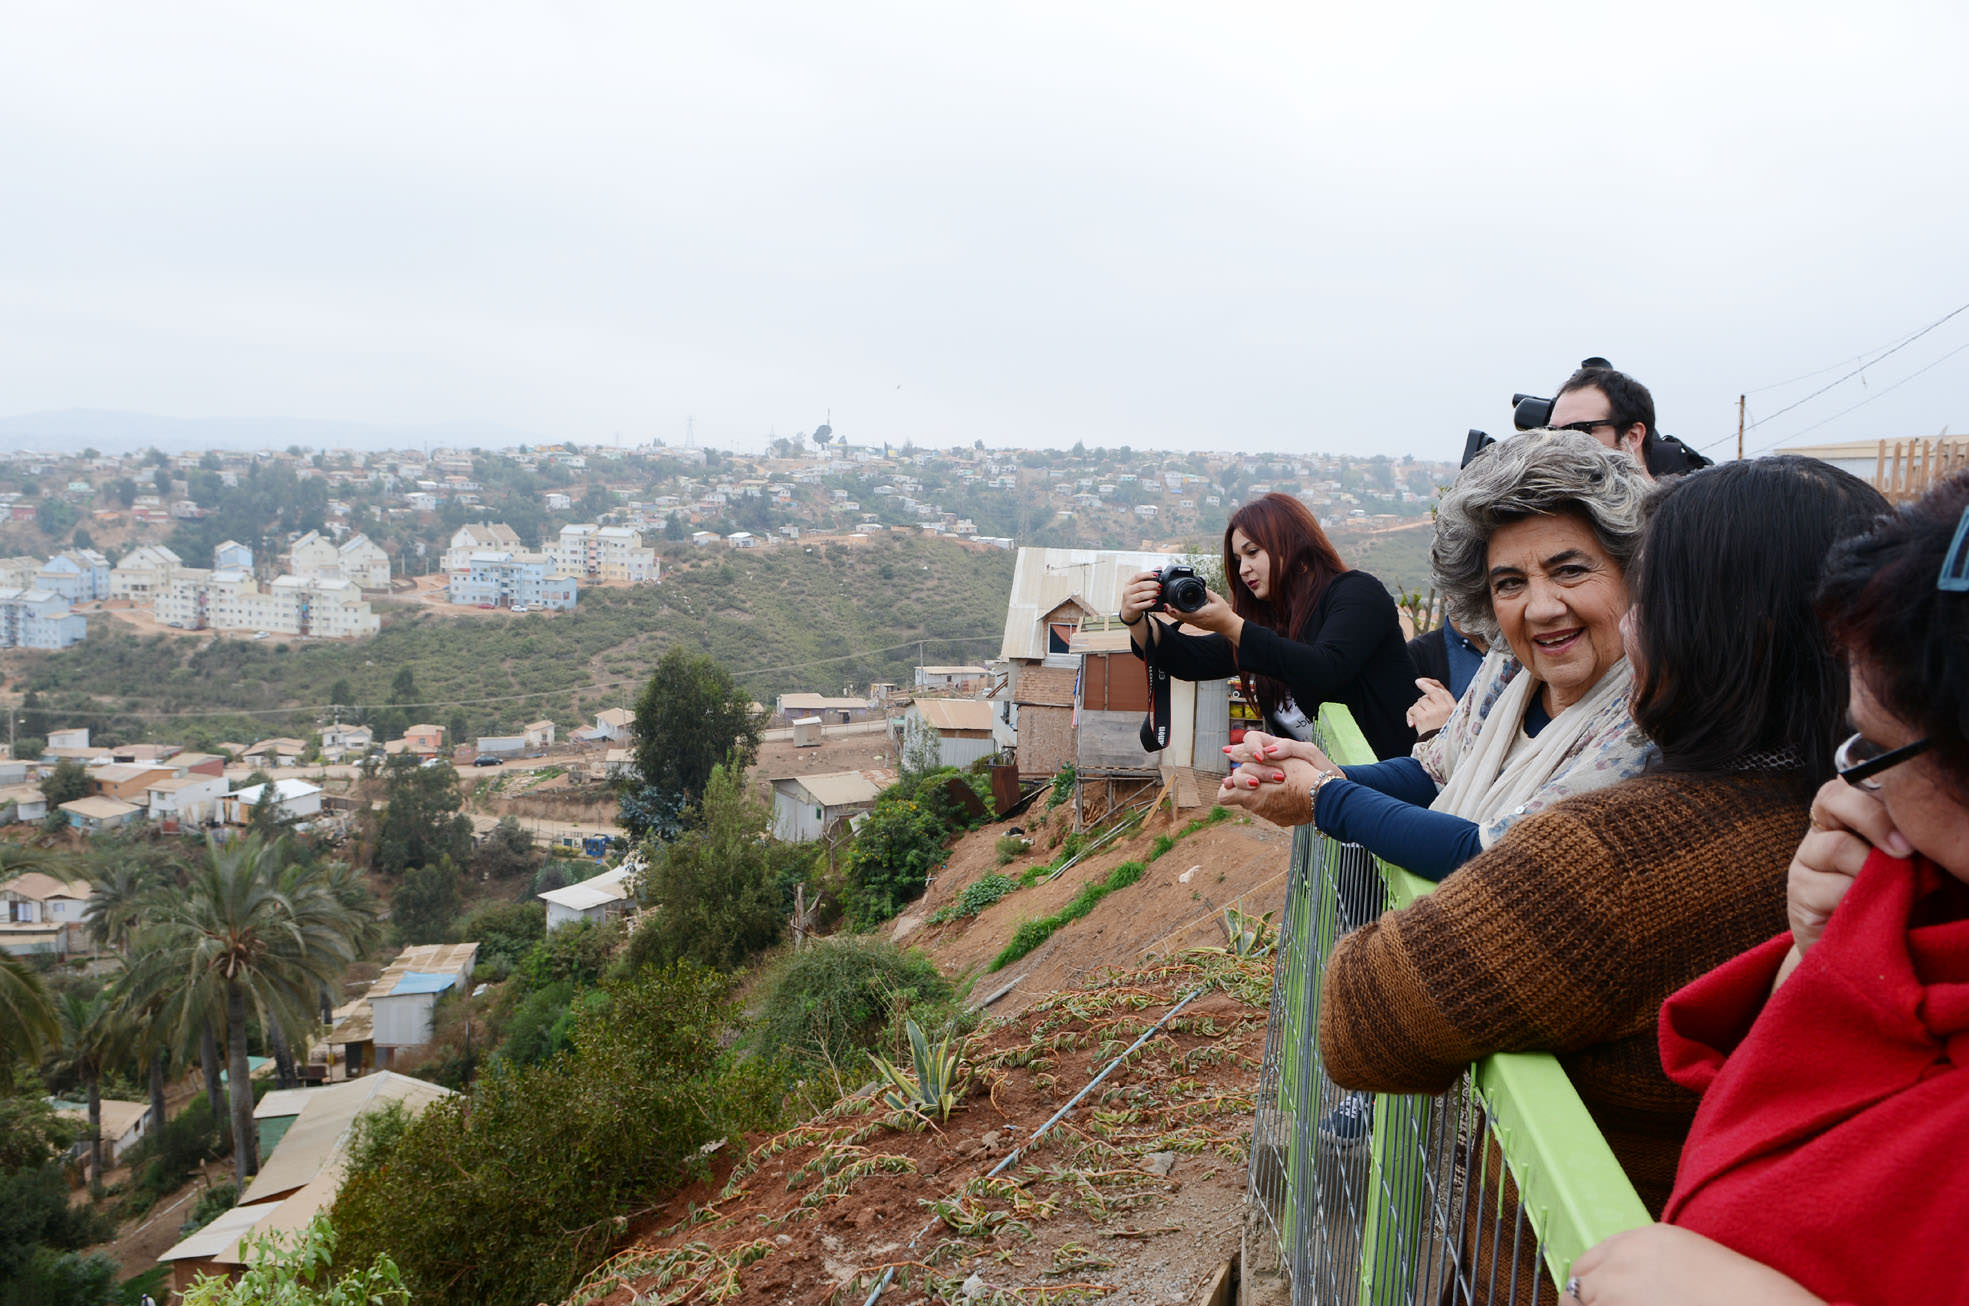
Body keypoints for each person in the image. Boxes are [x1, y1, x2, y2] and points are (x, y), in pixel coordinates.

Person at [1303, 458, 1884, 1219]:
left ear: (1709, 628)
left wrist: (1332, 801)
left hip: (1568, 1253)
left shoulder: (1609, 857)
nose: (1629, 624)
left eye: (1649, 597)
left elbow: (1360, 1020)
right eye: (1510, 582)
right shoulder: (1874, 819)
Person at [1570, 472, 1969, 1306]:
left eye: (1875, 751)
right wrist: (1817, 967)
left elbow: (1364, 1019)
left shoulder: (1610, 851)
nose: (1849, 788)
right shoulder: (1903, 918)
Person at [1219, 430, 1655, 881]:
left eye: (1570, 570)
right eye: (1510, 583)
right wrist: (1328, 771)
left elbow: (1497, 855)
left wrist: (1323, 796)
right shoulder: (1510, 668)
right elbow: (1435, 771)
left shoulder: (1649, 723)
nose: (1541, 609)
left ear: (1632, 570)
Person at [1120, 492, 1418, 760]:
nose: (1243, 569)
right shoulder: (1271, 621)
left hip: (1400, 781)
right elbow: (1191, 660)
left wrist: (1231, 625)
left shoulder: (1356, 592)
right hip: (1334, 791)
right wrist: (1135, 619)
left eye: (1252, 552)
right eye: (1237, 559)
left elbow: (1326, 668)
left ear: (1293, 544)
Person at [1546, 360, 1711, 479]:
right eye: (1552, 432)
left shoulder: (1685, 515)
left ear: (1633, 436)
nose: (1559, 446)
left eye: (1579, 430)